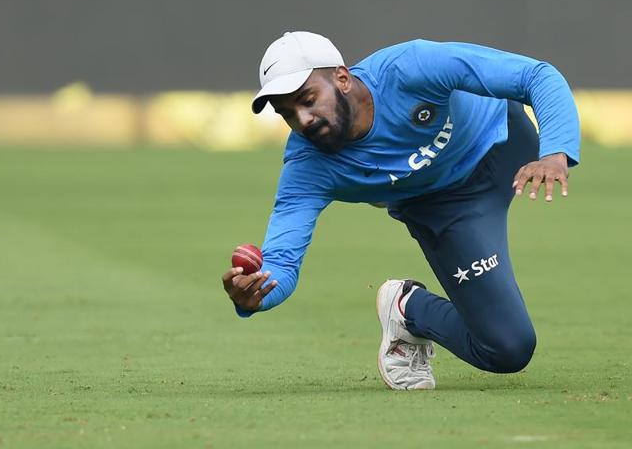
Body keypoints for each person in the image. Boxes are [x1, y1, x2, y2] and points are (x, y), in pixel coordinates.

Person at [221, 31, 580, 390]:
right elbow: (281, 263)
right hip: (447, 207)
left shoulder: (410, 68)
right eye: (287, 113)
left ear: (343, 78)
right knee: (508, 349)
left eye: (308, 99)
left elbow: (537, 76)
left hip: (506, 141)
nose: (303, 120)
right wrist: (257, 295)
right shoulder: (307, 164)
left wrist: (554, 152)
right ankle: (407, 308)